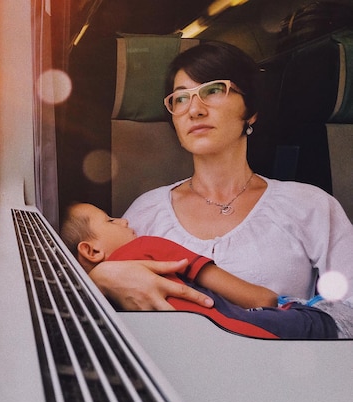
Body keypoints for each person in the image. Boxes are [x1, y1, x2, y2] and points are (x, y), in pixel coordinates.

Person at [88, 41, 353, 337]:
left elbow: (350, 309)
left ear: (250, 111)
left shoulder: (310, 205)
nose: (195, 110)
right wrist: (98, 279)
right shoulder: (145, 212)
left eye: (213, 90)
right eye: (180, 98)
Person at [61, 202, 338, 339]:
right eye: (110, 220)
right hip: (246, 331)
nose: (123, 220)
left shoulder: (98, 306)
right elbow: (260, 299)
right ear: (91, 251)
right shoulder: (145, 245)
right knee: (318, 322)